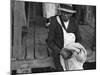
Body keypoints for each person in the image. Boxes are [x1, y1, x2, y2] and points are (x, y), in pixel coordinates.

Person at [47, 4, 84, 71]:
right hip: (59, 51)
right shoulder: (54, 21)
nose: (65, 15)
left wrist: (74, 50)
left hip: (72, 51)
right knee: (61, 69)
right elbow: (50, 42)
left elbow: (79, 39)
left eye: (68, 13)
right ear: (60, 12)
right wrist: (61, 51)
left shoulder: (74, 22)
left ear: (71, 14)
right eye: (63, 12)